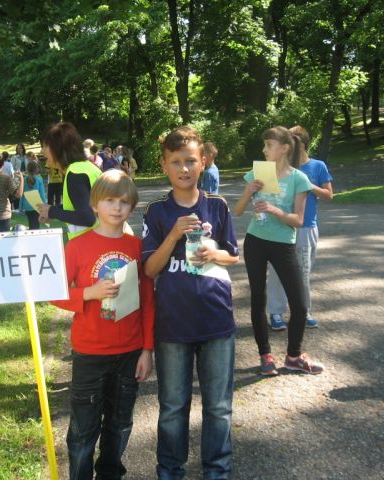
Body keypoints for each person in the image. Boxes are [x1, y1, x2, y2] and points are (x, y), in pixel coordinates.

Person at [142, 126, 239, 479]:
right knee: (172, 407)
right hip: (173, 323)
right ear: (164, 165)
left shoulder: (217, 205)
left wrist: (214, 254)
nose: (184, 169)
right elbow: (150, 269)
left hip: (216, 320)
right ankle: (170, 470)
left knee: (218, 406)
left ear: (203, 163)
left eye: (190, 161)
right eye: (175, 162)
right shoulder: (156, 211)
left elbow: (233, 256)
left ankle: (217, 470)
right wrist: (172, 235)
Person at [51, 169, 154, 479]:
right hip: (90, 352)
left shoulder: (137, 247)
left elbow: (148, 301)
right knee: (83, 430)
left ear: (132, 207)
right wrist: (89, 293)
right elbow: (54, 293)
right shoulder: (77, 246)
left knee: (119, 424)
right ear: (94, 205)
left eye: (124, 202)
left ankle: (110, 474)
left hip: (129, 352)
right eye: (109, 200)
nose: (117, 208)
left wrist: (147, 349)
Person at [233, 126, 324, 376]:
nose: (264, 150)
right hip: (256, 241)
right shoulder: (258, 173)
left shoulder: (298, 179)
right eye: (264, 145)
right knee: (258, 299)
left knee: (299, 304)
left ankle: (293, 356)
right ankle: (265, 355)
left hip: (283, 244)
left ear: (284, 148)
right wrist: (249, 191)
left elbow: (298, 220)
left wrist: (274, 210)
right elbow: (238, 211)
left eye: (269, 145)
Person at [266, 126, 333, 330]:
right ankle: (276, 312)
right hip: (279, 227)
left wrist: (307, 184)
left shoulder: (318, 166)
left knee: (303, 273)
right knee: (277, 272)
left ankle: (303, 311)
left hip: (306, 228)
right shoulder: (277, 166)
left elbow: (329, 195)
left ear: (300, 144)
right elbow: (267, 195)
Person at [37, 122, 102, 239]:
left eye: (45, 145)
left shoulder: (74, 173)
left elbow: (87, 218)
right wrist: (52, 210)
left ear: (57, 148)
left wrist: (53, 212)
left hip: (92, 243)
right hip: (102, 241)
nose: (42, 151)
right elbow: (81, 204)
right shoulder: (85, 167)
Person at [19, 160, 46, 230]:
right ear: (36, 169)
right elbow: (42, 194)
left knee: (32, 223)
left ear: (27, 169)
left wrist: (20, 208)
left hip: (27, 206)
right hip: (37, 206)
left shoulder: (24, 179)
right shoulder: (39, 179)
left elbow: (21, 194)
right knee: (35, 226)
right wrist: (45, 206)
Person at [10, 144, 28, 210]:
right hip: (17, 178)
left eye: (20, 148)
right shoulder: (14, 157)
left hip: (26, 177)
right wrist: (18, 173)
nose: (19, 149)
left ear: (23, 149)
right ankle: (17, 208)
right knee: (17, 193)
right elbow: (11, 168)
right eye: (18, 148)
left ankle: (24, 208)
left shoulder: (26, 157)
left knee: (25, 193)